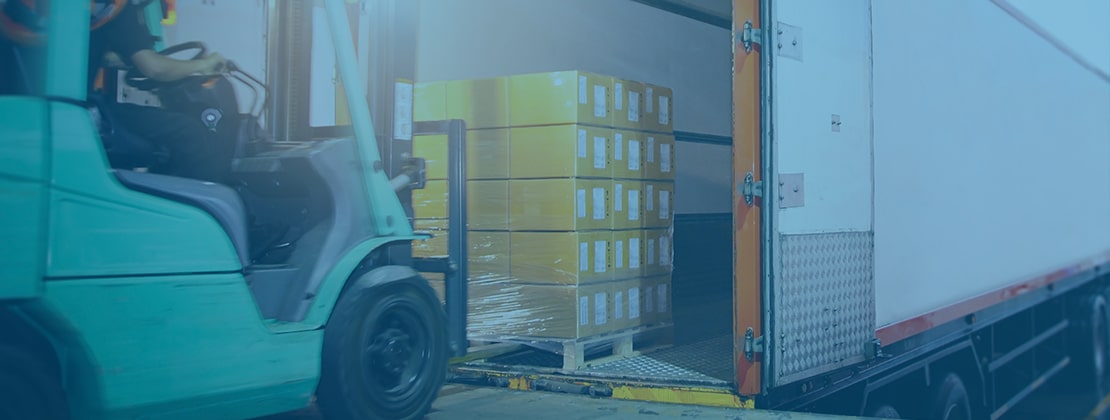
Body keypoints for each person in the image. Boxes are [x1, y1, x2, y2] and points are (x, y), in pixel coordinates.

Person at [88, 2, 237, 184]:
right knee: (191, 134)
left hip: (83, 104)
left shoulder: (97, 9)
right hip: (90, 111)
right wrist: (203, 65)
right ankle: (187, 207)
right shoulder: (116, 7)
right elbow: (155, 69)